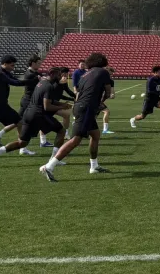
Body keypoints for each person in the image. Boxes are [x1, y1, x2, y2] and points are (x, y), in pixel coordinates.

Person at [41, 52, 115, 181]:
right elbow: (108, 92)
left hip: (80, 107)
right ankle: (50, 166)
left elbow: (78, 94)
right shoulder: (103, 72)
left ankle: (94, 166)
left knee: (95, 135)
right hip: (86, 109)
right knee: (76, 139)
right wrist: (100, 103)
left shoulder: (84, 75)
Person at [0, 67, 71, 167]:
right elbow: (47, 106)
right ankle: (54, 160)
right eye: (60, 75)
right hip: (39, 115)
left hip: (29, 113)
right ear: (55, 75)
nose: (61, 77)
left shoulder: (42, 83)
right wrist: (63, 106)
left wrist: (62, 104)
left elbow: (48, 101)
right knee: (61, 131)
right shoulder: (49, 86)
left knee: (22, 143)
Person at [0, 54, 42, 153]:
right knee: (19, 121)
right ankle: (36, 142)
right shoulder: (30, 74)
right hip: (28, 101)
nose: (39, 65)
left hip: (29, 101)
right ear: (33, 63)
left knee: (18, 121)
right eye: (38, 63)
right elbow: (18, 82)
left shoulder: (34, 73)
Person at [130, 65, 160, 130]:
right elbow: (149, 91)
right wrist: (159, 93)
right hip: (149, 100)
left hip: (156, 99)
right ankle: (132, 119)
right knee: (142, 116)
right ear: (155, 72)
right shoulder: (150, 80)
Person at [100, 69, 116, 134]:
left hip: (100, 100)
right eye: (109, 74)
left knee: (93, 116)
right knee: (106, 111)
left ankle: (79, 123)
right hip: (95, 100)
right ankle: (105, 130)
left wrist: (112, 95)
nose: (110, 76)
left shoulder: (111, 81)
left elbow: (112, 92)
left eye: (111, 74)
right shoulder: (100, 80)